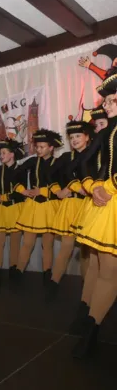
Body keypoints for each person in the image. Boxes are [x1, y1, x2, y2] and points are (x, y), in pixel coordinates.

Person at [72, 70, 117, 358]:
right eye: (107, 101)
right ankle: (91, 325)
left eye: (112, 100)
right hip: (107, 204)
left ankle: (90, 328)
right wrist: (93, 186)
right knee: (103, 267)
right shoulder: (106, 132)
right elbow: (83, 163)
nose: (107, 105)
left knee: (108, 271)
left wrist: (106, 185)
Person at [46, 119, 94, 299]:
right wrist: (58, 190)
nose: (74, 140)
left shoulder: (95, 154)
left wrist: (78, 187)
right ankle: (54, 283)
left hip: (89, 206)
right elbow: (49, 174)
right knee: (66, 246)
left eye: (78, 136)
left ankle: (87, 291)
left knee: (85, 251)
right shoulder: (66, 157)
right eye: (71, 137)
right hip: (71, 206)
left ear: (87, 137)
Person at [14, 129, 63, 284]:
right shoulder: (32, 161)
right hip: (33, 206)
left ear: (51, 147)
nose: (39, 150)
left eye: (42, 147)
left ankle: (47, 273)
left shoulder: (58, 163)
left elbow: (62, 187)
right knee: (27, 242)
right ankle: (18, 271)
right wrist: (23, 190)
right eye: (37, 147)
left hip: (50, 206)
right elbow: (15, 175)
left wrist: (42, 191)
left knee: (47, 244)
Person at [0, 139, 26, 286]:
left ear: (12, 154)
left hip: (16, 208)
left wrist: (2, 197)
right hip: (1, 210)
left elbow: (20, 193)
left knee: (15, 242)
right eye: (0, 153)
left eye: (4, 153)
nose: (1, 156)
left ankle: (13, 270)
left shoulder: (21, 170)